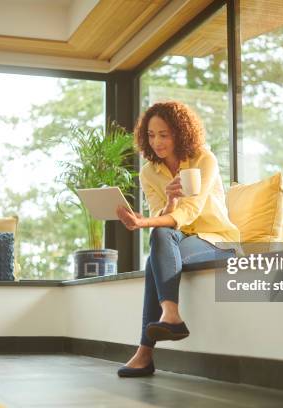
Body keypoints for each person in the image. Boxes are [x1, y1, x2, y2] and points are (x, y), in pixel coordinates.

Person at [115, 100, 240, 377]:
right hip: (178, 240)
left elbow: (191, 211)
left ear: (180, 133)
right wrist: (169, 201)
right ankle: (170, 316)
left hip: (216, 240)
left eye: (164, 134)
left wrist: (143, 222)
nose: (156, 142)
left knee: (153, 259)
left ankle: (146, 351)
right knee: (160, 235)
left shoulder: (203, 160)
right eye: (150, 135)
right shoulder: (149, 171)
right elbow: (164, 217)